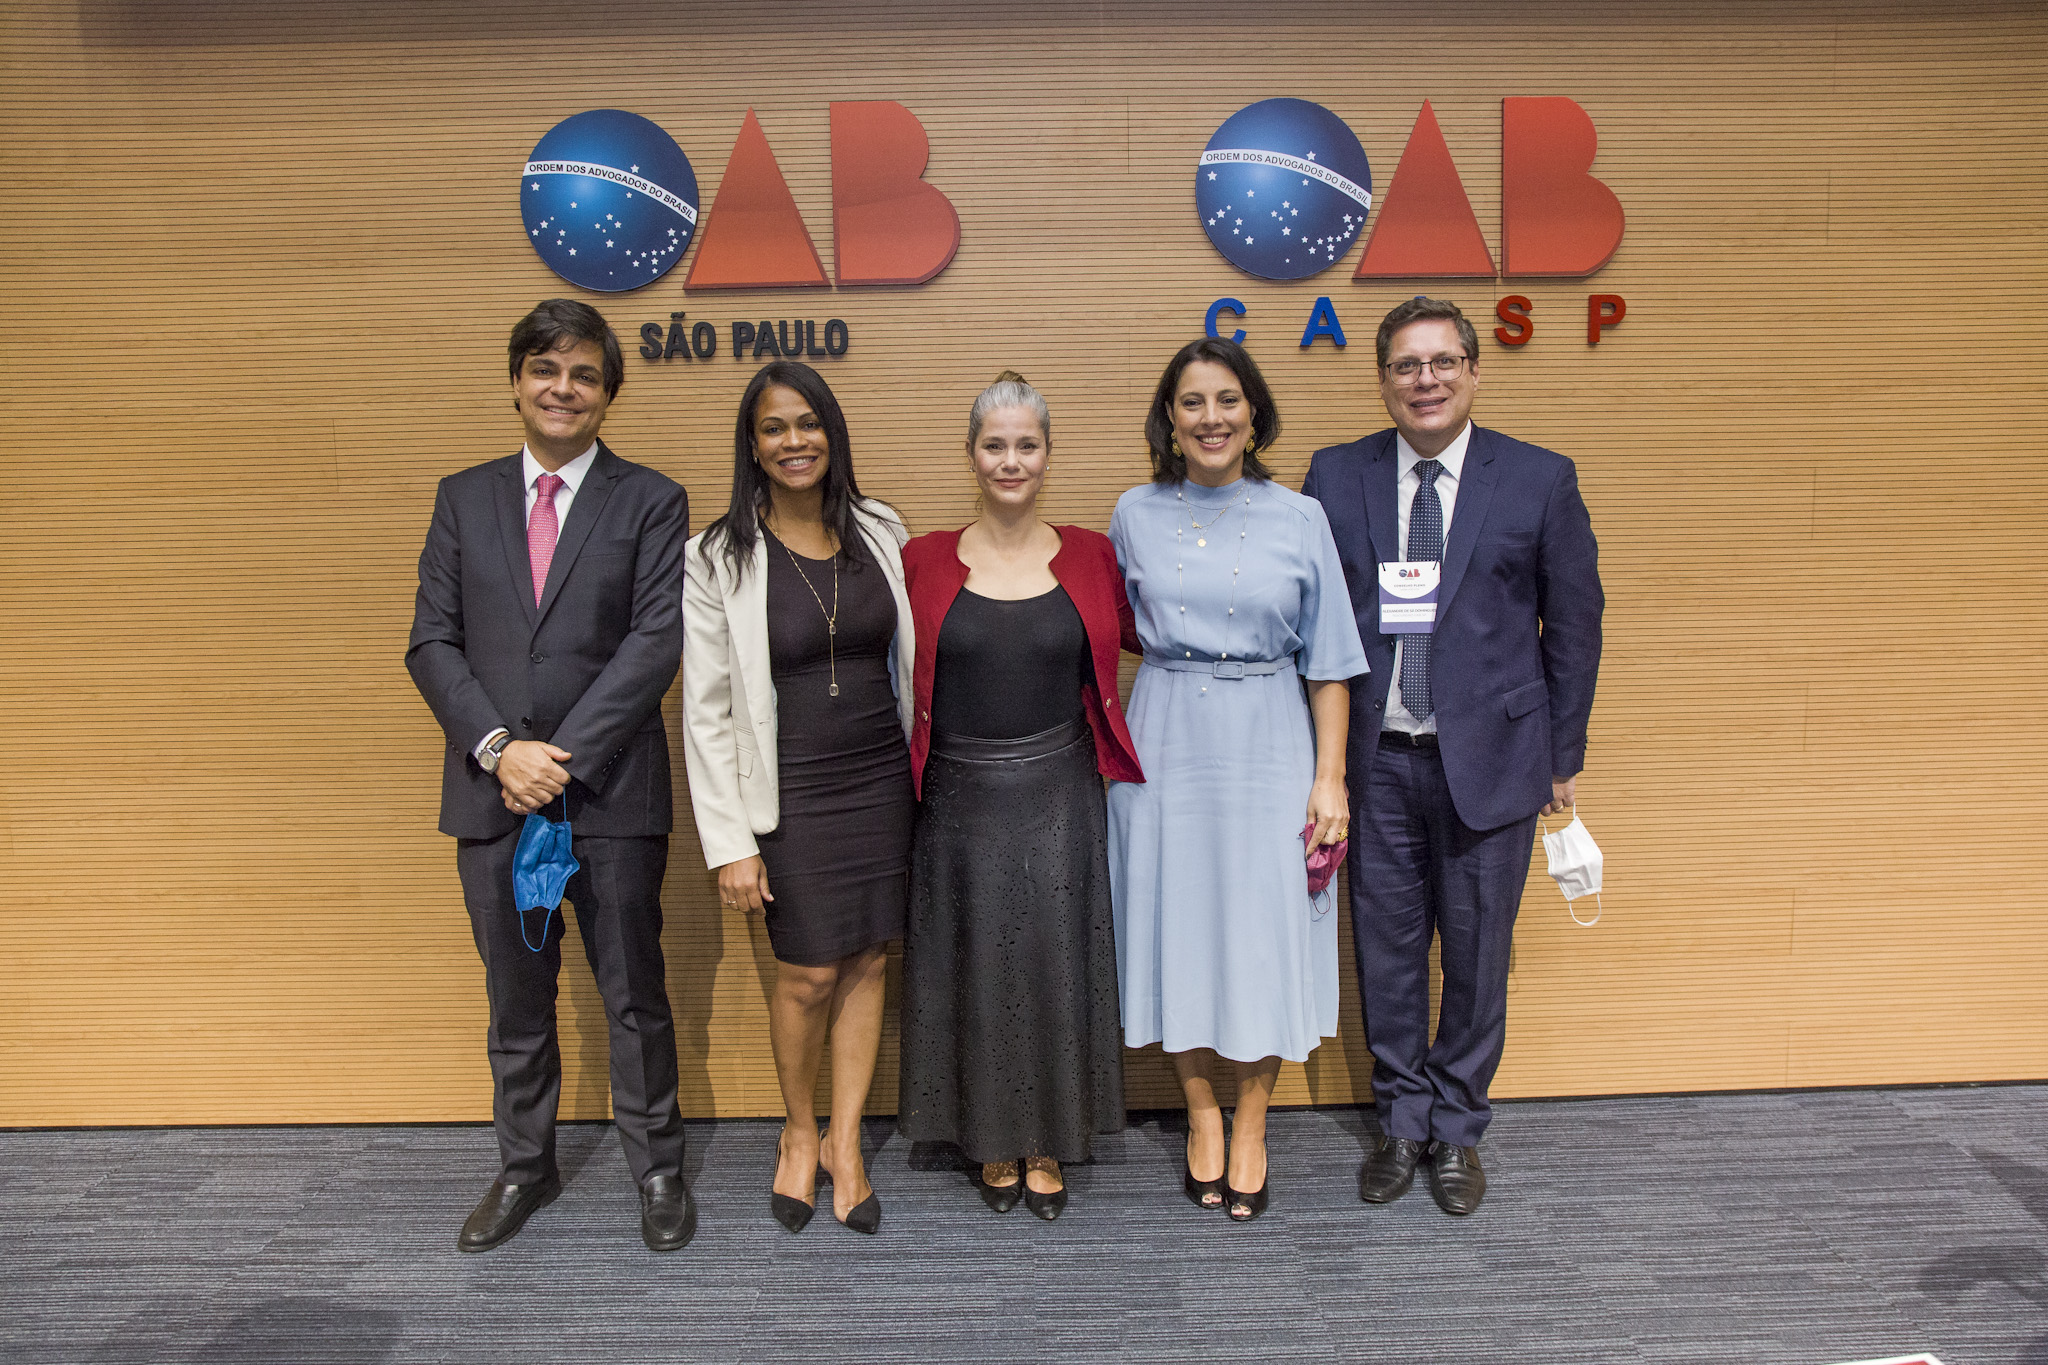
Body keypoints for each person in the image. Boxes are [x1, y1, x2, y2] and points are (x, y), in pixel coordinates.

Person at [1301, 297, 1603, 1216]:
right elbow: (1312, 621)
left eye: (1441, 362)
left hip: (1496, 762)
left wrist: (1562, 755)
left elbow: (1576, 625)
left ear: (1473, 370)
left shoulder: (1539, 478)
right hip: (1376, 764)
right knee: (1387, 955)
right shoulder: (1336, 474)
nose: (1424, 380)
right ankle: (1401, 1119)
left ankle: (1460, 1126)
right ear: (1383, 379)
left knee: (1476, 955)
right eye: (1405, 365)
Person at [405, 299, 694, 1253]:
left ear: (609, 393)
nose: (561, 388)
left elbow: (655, 645)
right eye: (544, 369)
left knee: (633, 992)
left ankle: (657, 1165)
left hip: (609, 797)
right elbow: (431, 642)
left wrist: (555, 757)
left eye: (582, 374)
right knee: (515, 998)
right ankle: (525, 1165)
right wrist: (500, 750)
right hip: (492, 798)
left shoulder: (651, 499)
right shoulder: (462, 496)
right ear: (516, 382)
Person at [1107, 338, 1369, 1221]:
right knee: (1174, 923)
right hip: (1167, 735)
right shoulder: (1132, 512)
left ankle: (1253, 1118)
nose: (1211, 417)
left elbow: (1330, 662)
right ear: (1169, 420)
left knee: (1266, 931)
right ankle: (1200, 1112)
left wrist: (1329, 779)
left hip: (1271, 736)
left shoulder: (1301, 517)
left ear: (1254, 412)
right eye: (1192, 402)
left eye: (1228, 399)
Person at [896, 372, 1144, 1221]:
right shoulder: (921, 557)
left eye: (1026, 444)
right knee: (970, 966)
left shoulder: (1090, 552)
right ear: (971, 454)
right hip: (956, 798)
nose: (1011, 460)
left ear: (1047, 453)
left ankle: (1048, 1137)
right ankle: (986, 1137)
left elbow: (1150, 636)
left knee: (1050, 964)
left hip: (1060, 789)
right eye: (995, 445)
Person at [681, 360, 914, 1235]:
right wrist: (729, 841)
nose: (794, 441)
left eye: (808, 423)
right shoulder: (717, 556)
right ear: (752, 443)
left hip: (881, 778)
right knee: (809, 969)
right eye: (775, 427)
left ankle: (845, 1142)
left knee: (868, 959)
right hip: (790, 793)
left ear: (832, 431)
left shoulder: (880, 529)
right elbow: (704, 711)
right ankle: (798, 1128)